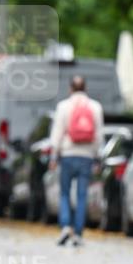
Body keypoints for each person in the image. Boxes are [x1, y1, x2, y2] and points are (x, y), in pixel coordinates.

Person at [49, 75, 103, 247]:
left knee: (64, 193)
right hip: (86, 156)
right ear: (85, 88)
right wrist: (97, 157)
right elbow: (98, 135)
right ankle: (78, 233)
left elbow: (57, 132)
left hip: (67, 154)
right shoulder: (95, 107)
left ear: (70, 88)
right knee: (82, 195)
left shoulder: (63, 106)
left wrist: (53, 155)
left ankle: (65, 226)